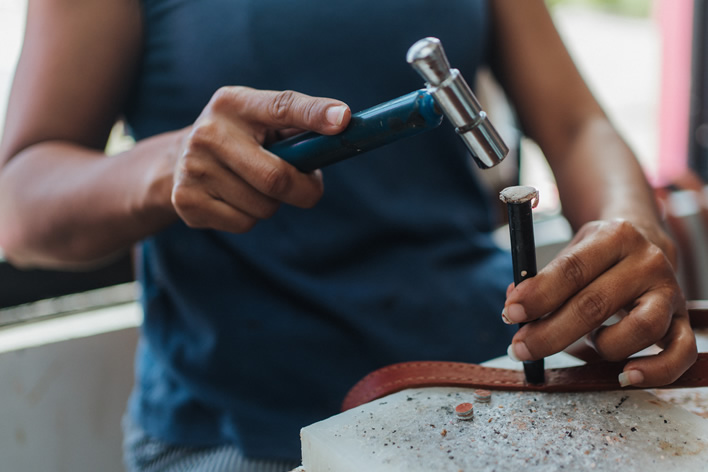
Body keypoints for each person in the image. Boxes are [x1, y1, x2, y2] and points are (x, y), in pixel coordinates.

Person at [0, 0, 697, 470]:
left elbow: (578, 127)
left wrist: (632, 233)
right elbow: (20, 209)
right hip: (245, 433)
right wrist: (166, 166)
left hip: (480, 389)